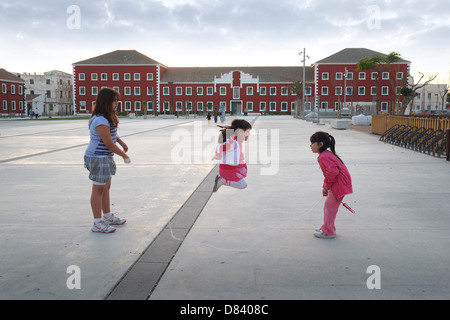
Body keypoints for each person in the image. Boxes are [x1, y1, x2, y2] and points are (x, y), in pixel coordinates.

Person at [84, 88, 131, 233]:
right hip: (97, 157)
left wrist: (122, 143)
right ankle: (97, 222)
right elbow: (108, 143)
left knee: (106, 187)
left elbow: (113, 135)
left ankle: (107, 215)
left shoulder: (106, 118)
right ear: (105, 102)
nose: (116, 103)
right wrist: (124, 156)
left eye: (117, 100)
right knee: (98, 189)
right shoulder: (99, 119)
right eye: (113, 101)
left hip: (105, 157)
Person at [310, 131, 352, 239]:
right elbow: (331, 173)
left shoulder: (324, 157)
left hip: (339, 185)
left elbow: (332, 173)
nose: (310, 145)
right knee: (329, 207)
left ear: (320, 144)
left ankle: (328, 231)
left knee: (329, 207)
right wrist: (327, 186)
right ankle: (327, 227)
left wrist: (326, 186)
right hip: (338, 183)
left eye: (312, 143)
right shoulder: (325, 155)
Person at [212, 119, 252, 192]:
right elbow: (221, 147)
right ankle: (223, 180)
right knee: (243, 185)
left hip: (231, 167)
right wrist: (218, 155)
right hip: (228, 169)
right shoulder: (232, 140)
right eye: (247, 131)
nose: (249, 134)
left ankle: (223, 179)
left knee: (243, 184)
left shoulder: (236, 139)